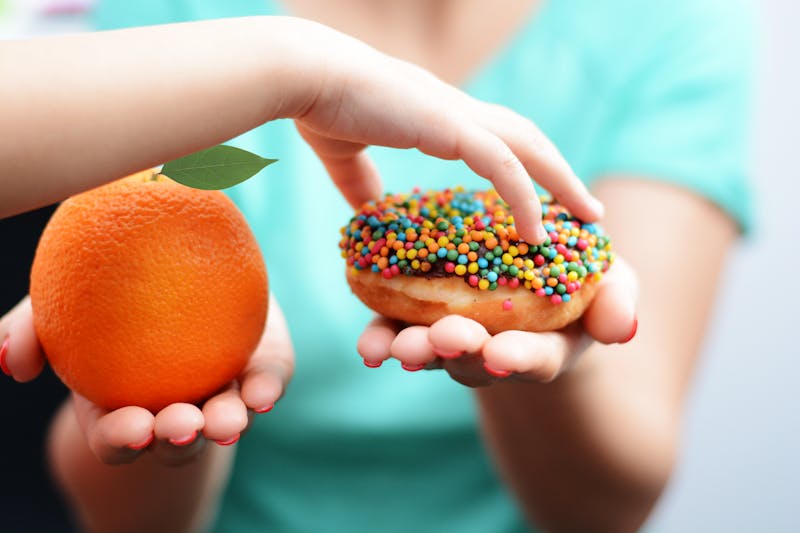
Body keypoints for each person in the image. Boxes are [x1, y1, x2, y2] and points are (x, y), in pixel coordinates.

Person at [0, 0, 753, 531]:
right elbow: (114, 512)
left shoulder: (672, 22)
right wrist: (177, 404)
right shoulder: (172, 13)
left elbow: (606, 509)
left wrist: (549, 362)